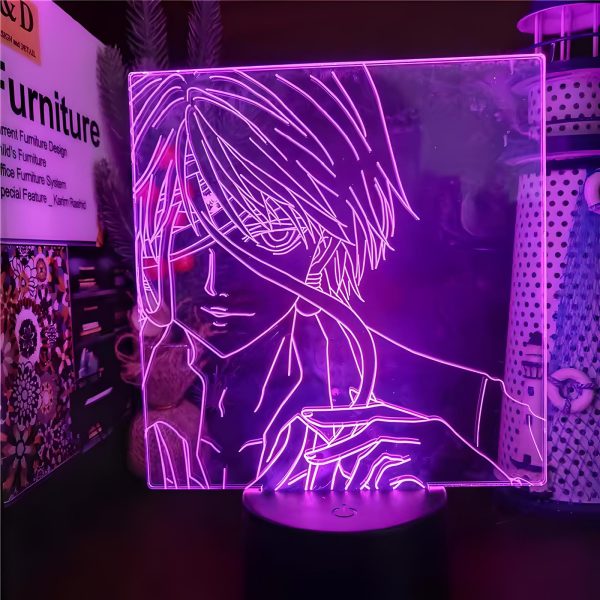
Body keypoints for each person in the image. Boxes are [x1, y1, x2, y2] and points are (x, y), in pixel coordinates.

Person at [130, 65, 541, 491]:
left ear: (336, 227)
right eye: (205, 235)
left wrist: (438, 446)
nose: (213, 283)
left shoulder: (452, 379)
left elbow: (530, 432)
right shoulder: (200, 397)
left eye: (268, 232)